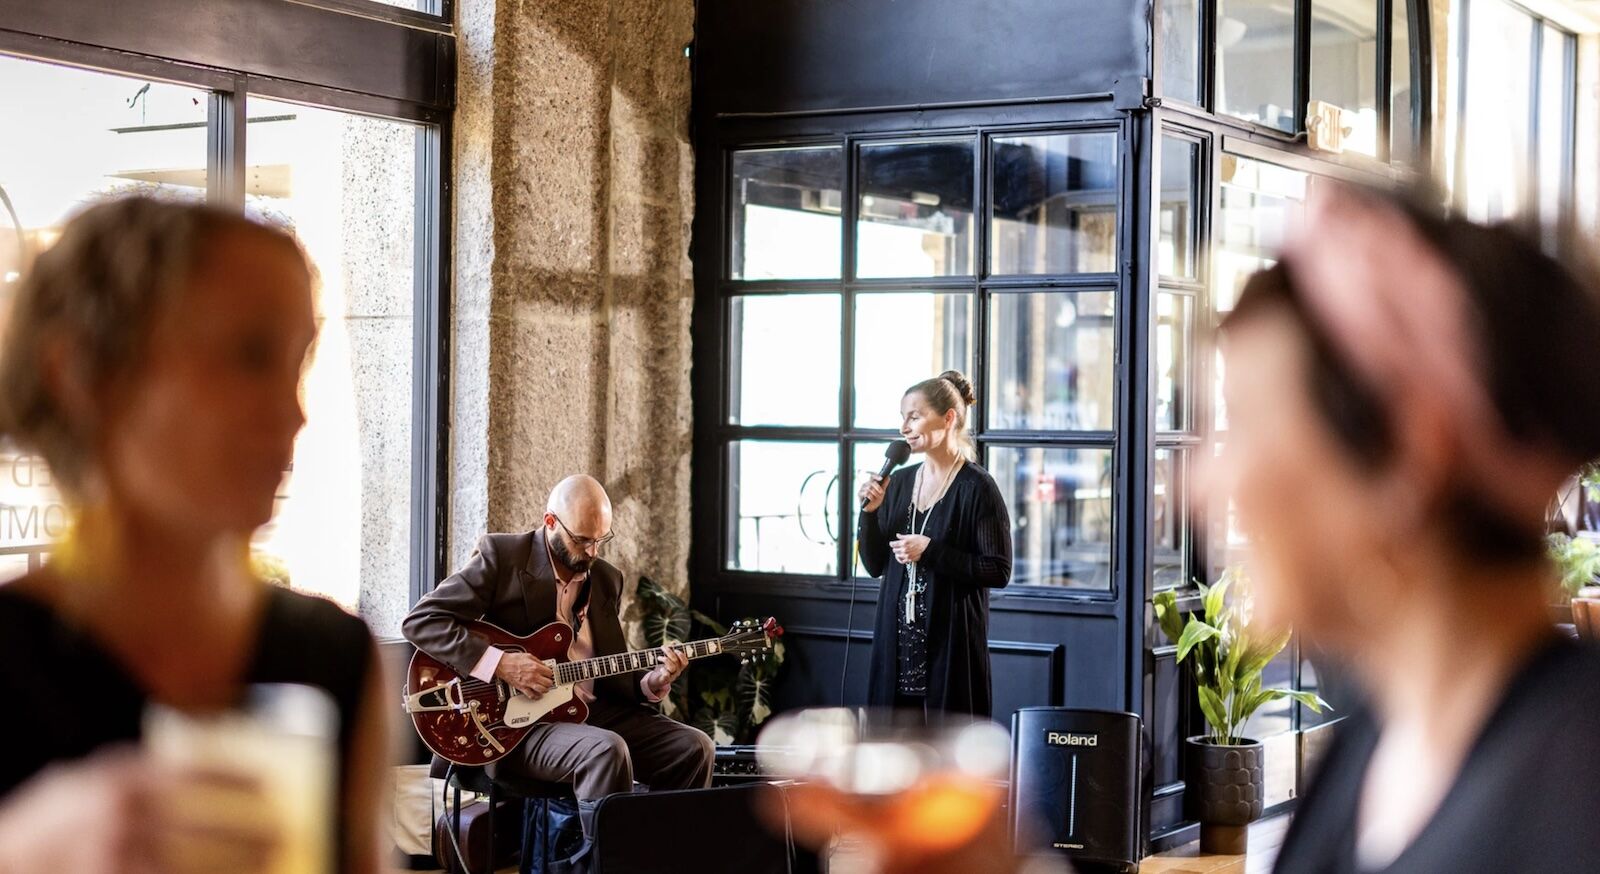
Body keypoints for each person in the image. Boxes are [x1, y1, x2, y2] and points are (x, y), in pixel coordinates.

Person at [1209, 185, 1600, 872]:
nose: (1211, 483)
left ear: (1410, 457)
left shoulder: (1574, 802)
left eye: (1248, 424)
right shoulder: (1383, 730)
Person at [0, 197, 386, 873]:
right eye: (250, 356)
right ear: (85, 376)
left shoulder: (334, 656)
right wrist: (29, 847)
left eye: (297, 364)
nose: (294, 413)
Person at [402, 474, 714, 871]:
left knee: (694, 748)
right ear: (550, 523)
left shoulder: (605, 578)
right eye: (582, 539)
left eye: (601, 539)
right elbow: (422, 621)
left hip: (588, 712)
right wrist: (502, 663)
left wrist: (653, 683)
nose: (592, 551)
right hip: (515, 725)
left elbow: (609, 671)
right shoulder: (503, 557)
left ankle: (661, 861)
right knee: (604, 751)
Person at [856, 370, 1012, 719]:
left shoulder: (977, 487)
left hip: (950, 646)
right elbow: (875, 565)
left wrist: (932, 551)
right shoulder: (897, 483)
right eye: (903, 418)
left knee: (948, 761)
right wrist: (869, 515)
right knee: (894, 757)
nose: (904, 428)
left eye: (915, 416)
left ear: (949, 417)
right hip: (897, 647)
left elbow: (998, 570)